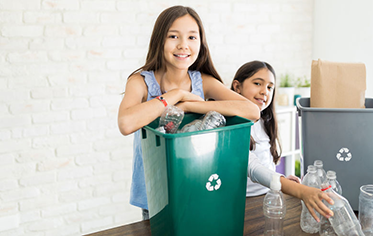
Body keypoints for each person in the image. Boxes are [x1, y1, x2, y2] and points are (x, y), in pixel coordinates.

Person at [117, 6, 260, 220]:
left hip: (199, 186)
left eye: (192, 37)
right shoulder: (141, 83)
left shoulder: (203, 81)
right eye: (173, 36)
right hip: (157, 195)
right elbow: (126, 124)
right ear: (160, 40)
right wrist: (176, 95)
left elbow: (252, 111)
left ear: (200, 43)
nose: (183, 45)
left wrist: (190, 105)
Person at [231, 60, 333, 221]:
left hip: (269, 195)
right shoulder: (232, 126)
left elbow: (266, 164)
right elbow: (254, 168)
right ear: (237, 87)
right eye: (258, 83)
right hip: (245, 203)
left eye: (270, 87)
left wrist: (282, 178)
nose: (265, 91)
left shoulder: (265, 122)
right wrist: (292, 188)